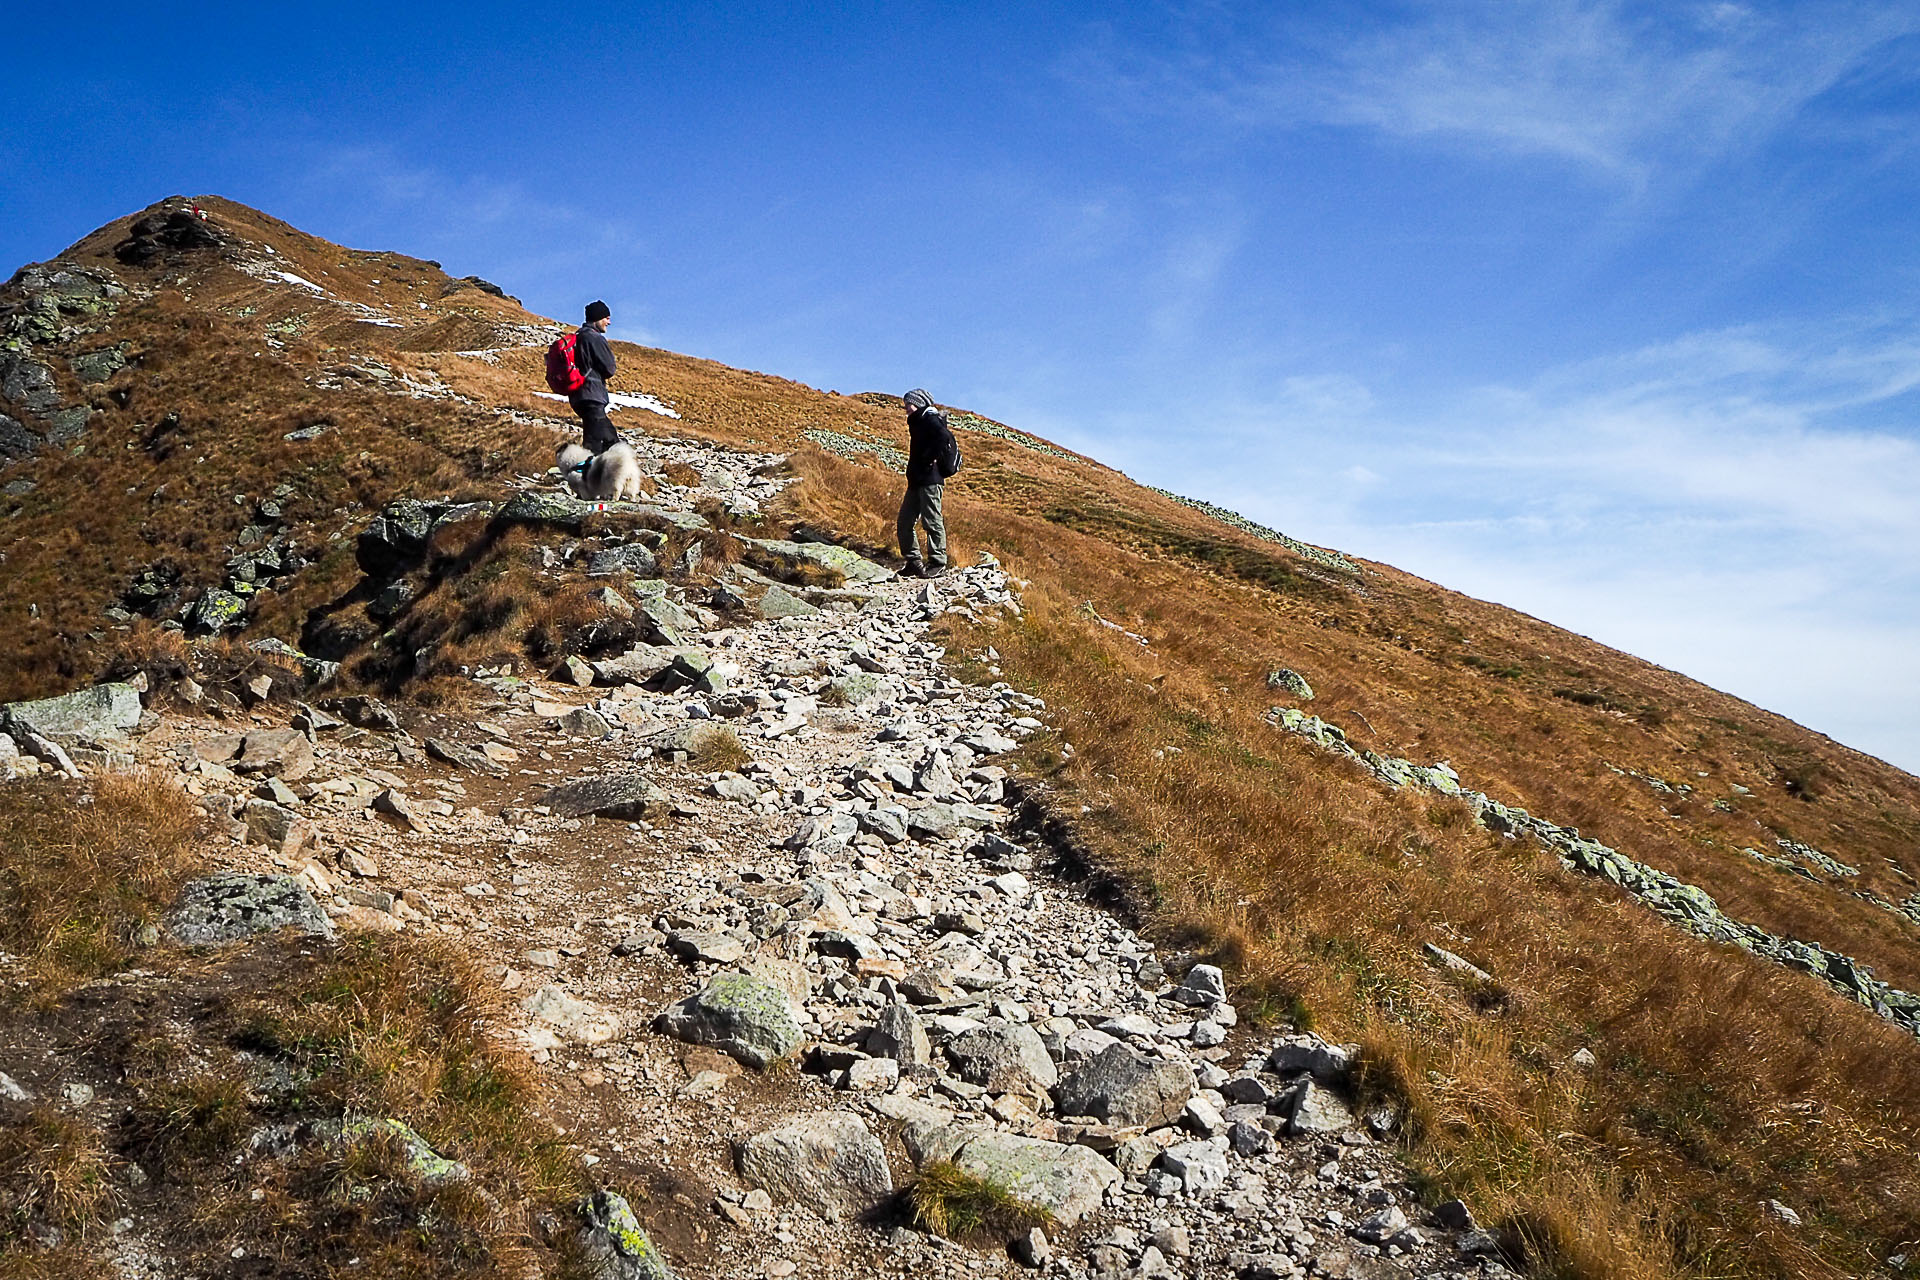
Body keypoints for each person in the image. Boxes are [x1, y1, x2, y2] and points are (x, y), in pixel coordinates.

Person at [897, 388, 956, 578]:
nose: (906, 408)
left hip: (930, 480)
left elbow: (943, 437)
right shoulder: (917, 421)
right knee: (904, 522)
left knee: (932, 521)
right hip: (916, 480)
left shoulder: (930, 418)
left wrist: (929, 458)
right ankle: (913, 561)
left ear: (920, 403)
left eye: (909, 404)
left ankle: (938, 562)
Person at [571, 300, 618, 454]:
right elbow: (610, 368)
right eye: (606, 318)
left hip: (578, 395)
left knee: (604, 438)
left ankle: (594, 473)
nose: (609, 322)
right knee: (597, 443)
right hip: (592, 395)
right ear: (598, 318)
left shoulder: (578, 336)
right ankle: (589, 475)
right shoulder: (594, 338)